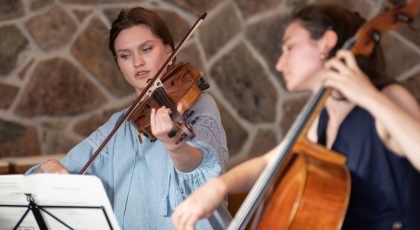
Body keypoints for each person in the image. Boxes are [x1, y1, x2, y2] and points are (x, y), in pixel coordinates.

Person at [172, 3, 420, 230]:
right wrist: (219, 186)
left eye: (289, 47)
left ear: (326, 43)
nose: (280, 64)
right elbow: (270, 163)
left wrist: (369, 97)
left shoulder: (388, 97)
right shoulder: (322, 116)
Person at [26, 7, 231, 229]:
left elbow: (203, 168)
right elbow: (65, 169)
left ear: (170, 51)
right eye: (125, 55)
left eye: (147, 49)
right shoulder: (120, 125)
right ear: (118, 63)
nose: (137, 62)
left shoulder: (197, 104)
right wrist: (48, 167)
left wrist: (173, 143)